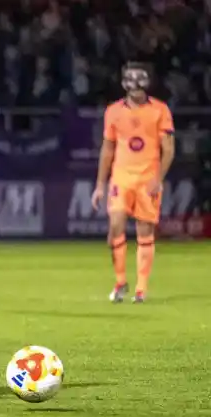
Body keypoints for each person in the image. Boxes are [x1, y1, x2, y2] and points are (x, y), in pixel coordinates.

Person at [91, 62, 175, 304]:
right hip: (121, 178)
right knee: (115, 227)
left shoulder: (160, 110)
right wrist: (100, 185)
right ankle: (120, 282)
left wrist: (158, 179)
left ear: (148, 82)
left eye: (140, 79)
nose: (135, 84)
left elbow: (168, 149)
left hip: (148, 178)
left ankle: (140, 288)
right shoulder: (113, 111)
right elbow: (107, 149)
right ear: (124, 82)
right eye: (131, 79)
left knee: (145, 231)